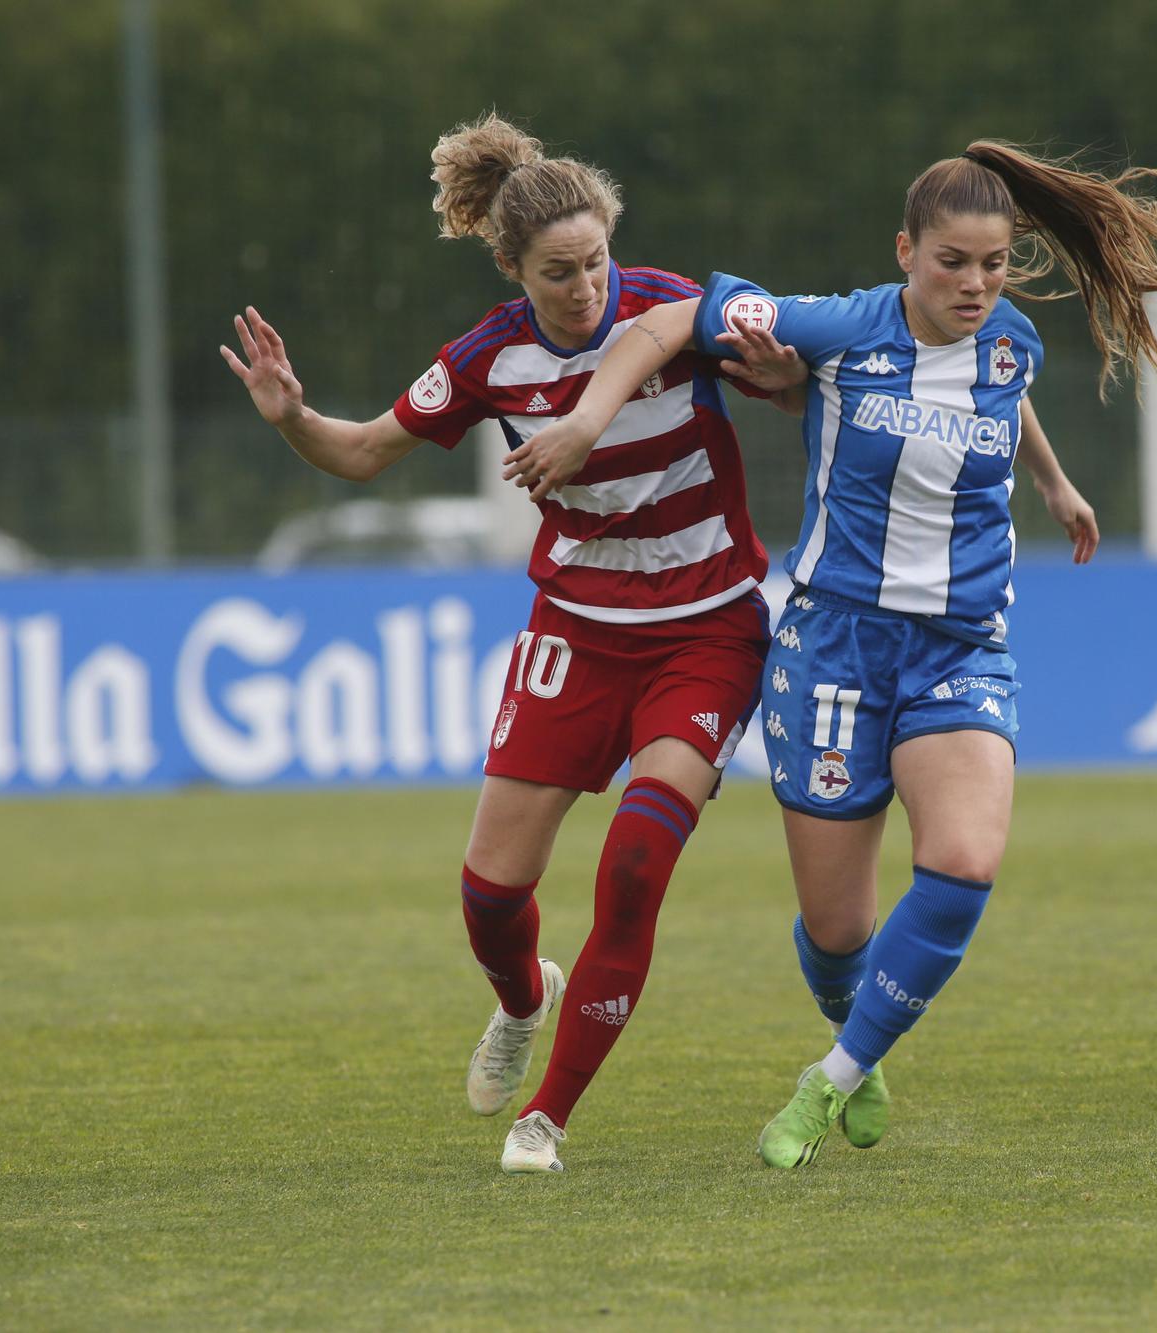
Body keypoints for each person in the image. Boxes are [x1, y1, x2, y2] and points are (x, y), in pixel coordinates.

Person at [508, 140, 1157, 1166]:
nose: (974, 285)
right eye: (951, 263)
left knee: (962, 862)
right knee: (837, 932)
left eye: (994, 264)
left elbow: (999, 390)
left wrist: (1052, 483)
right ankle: (860, 1046)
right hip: (832, 647)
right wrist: (583, 421)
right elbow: (664, 320)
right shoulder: (838, 326)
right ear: (904, 253)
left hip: (960, 645)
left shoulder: (1010, 342)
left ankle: (825, 1081)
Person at [221, 113, 805, 1173]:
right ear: (511, 268)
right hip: (576, 633)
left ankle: (547, 1117)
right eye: (556, 273)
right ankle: (520, 997)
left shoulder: (675, 308)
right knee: (490, 894)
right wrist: (290, 417)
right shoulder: (489, 356)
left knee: (633, 863)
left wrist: (777, 375)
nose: (584, 289)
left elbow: (798, 377)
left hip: (706, 634)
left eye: (595, 263)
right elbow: (360, 454)